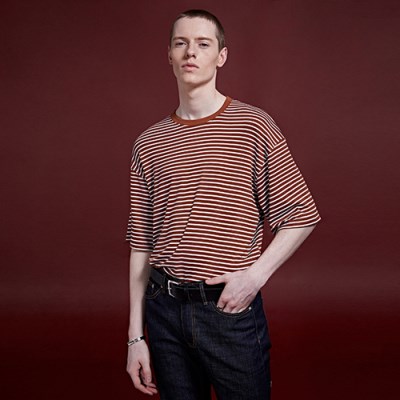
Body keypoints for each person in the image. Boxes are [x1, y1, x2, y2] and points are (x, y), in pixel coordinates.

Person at [125, 9, 321, 400]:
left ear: (221, 56)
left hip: (228, 310)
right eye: (181, 43)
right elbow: (141, 244)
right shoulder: (148, 143)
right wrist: (135, 337)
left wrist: (255, 276)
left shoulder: (254, 126)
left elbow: (301, 214)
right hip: (163, 313)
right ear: (169, 55)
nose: (190, 52)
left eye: (203, 43)